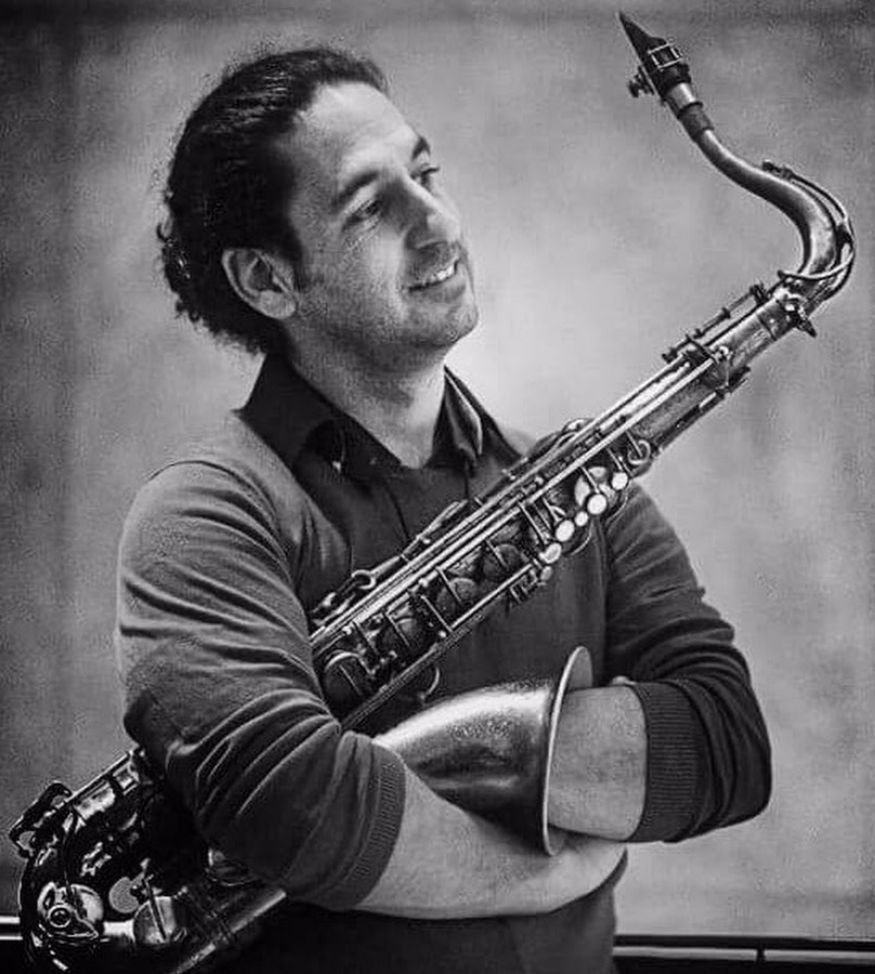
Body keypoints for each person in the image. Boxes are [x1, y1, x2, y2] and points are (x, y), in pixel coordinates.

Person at [116, 47, 771, 974]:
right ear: (267, 279)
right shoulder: (203, 514)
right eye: (369, 206)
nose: (438, 224)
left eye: (424, 174)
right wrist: (548, 870)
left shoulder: (585, 487)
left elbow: (722, 747)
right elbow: (292, 806)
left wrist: (406, 776)